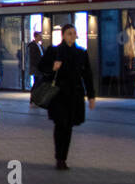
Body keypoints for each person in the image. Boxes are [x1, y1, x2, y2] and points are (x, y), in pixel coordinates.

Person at [37, 23, 96, 170]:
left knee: (68, 126)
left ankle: (63, 157)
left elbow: (87, 75)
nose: (72, 36)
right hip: (58, 95)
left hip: (75, 95)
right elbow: (41, 67)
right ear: (63, 35)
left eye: (74, 33)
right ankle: (59, 157)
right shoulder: (54, 51)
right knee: (60, 125)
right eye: (69, 33)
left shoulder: (81, 53)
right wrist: (53, 67)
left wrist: (91, 96)